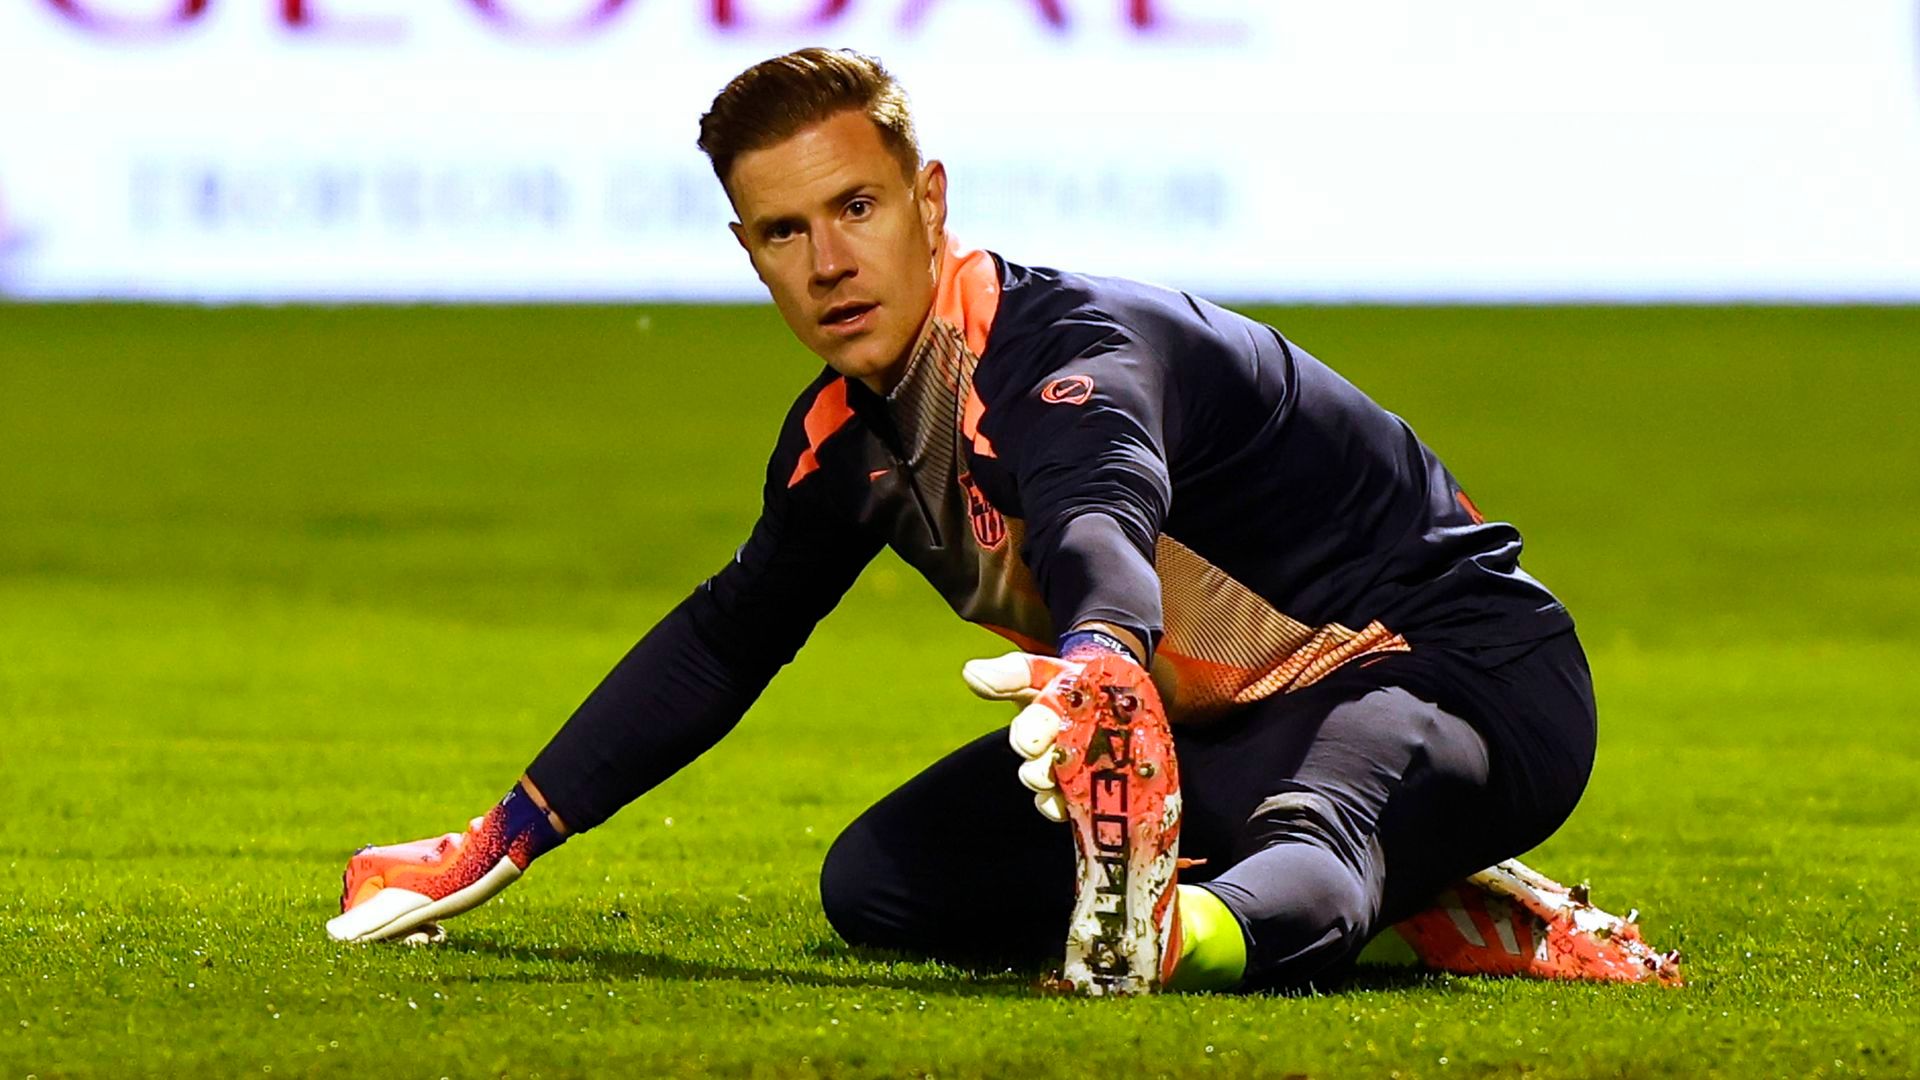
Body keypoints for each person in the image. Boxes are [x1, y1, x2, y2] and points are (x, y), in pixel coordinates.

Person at [328, 48, 1679, 994]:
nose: (829, 260)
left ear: (930, 201)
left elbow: (1103, 517)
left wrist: (1101, 659)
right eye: (784, 231)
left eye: (855, 207)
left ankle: (1203, 930)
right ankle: (1413, 901)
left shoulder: (1070, 353)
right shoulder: (843, 440)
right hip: (1214, 717)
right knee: (882, 888)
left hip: (1464, 677)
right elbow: (728, 637)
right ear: (748, 255)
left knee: (1297, 842)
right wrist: (499, 836)